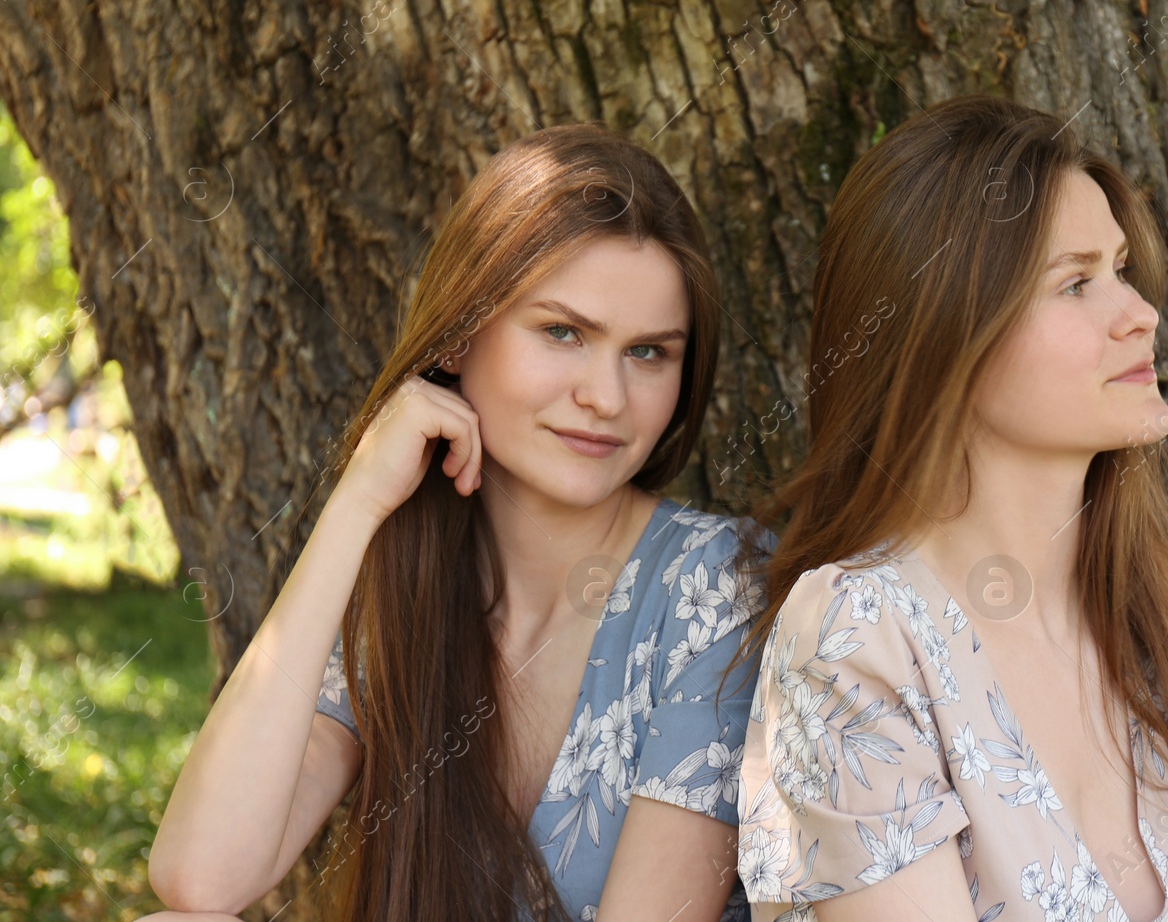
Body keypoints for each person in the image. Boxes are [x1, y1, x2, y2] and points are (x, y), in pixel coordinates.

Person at [731, 95, 1168, 921]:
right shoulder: (855, 636)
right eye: (1076, 284)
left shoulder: (1150, 632)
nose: (1140, 314)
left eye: (1122, 270)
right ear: (947, 329)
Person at [143, 124, 773, 922]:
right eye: (563, 331)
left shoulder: (718, 586)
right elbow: (201, 877)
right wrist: (358, 504)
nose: (607, 398)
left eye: (649, 353)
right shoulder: (410, 584)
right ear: (460, 333)